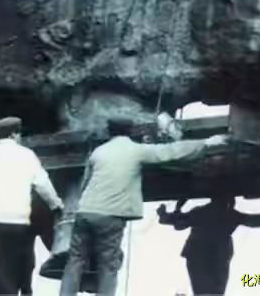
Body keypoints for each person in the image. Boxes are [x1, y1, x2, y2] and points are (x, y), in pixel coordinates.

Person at [59, 117, 229, 296]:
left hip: (85, 212)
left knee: (75, 261)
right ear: (130, 132)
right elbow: (170, 151)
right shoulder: (136, 150)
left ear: (110, 132)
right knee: (108, 265)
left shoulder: (97, 152)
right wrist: (206, 142)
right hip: (110, 215)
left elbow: (85, 183)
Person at [0, 116, 64, 296]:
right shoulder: (27, 155)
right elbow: (43, 184)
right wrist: (56, 205)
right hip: (19, 223)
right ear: (13, 134)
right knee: (20, 266)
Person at [157, 196, 260, 295]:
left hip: (198, 254)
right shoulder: (229, 214)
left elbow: (177, 224)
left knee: (203, 289)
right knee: (214, 290)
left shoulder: (201, 212)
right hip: (217, 255)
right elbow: (253, 221)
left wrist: (173, 210)